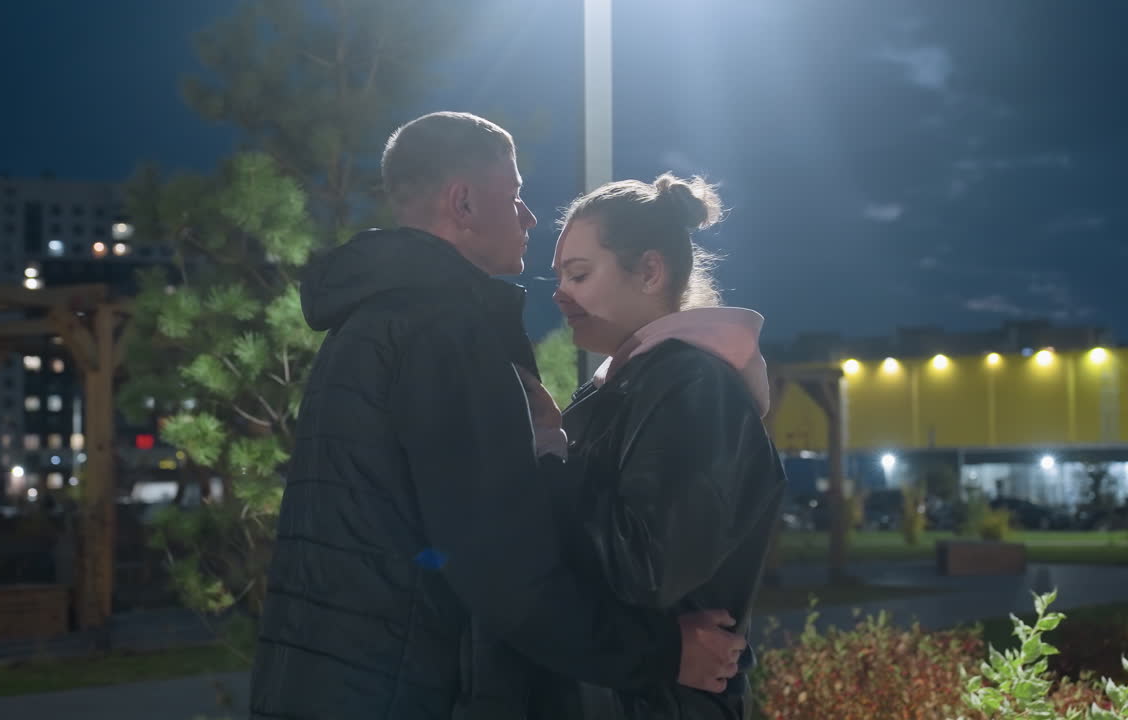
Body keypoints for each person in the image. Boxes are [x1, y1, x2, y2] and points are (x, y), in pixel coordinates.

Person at [248, 113, 746, 720]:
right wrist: (663, 653)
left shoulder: (368, 325)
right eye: (513, 196)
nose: (528, 216)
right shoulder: (442, 332)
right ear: (462, 202)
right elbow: (504, 570)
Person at [526, 172, 788, 719]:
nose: (559, 294)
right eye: (559, 277)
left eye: (579, 273)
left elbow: (648, 567)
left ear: (649, 270)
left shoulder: (692, 387)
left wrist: (549, 453)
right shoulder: (638, 382)